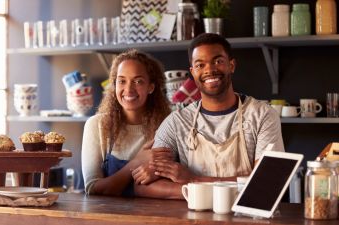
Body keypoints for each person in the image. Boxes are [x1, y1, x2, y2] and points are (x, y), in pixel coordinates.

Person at [132, 33, 285, 199]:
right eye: (200, 65)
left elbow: (269, 182)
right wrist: (200, 193)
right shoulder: (176, 122)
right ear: (192, 71)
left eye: (218, 61)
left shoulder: (262, 115)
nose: (210, 70)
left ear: (231, 65)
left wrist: (193, 180)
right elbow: (143, 186)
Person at [81, 49, 172, 197]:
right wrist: (136, 163)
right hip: (108, 217)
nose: (128, 89)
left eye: (138, 81)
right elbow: (92, 188)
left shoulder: (167, 126)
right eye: (122, 81)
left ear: (151, 87)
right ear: (114, 84)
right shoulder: (97, 125)